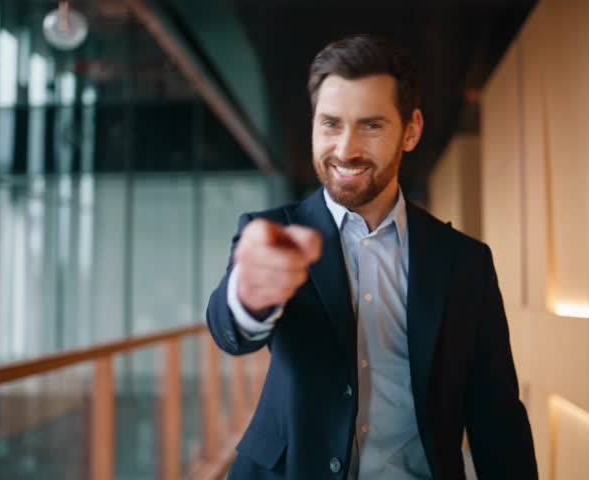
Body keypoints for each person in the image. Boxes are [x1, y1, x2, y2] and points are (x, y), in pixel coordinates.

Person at [206, 34, 537, 480]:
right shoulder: (273, 234)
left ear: (411, 130)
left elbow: (497, 417)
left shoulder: (466, 263)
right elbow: (229, 332)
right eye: (331, 124)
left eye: (371, 126)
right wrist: (247, 299)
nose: (346, 149)